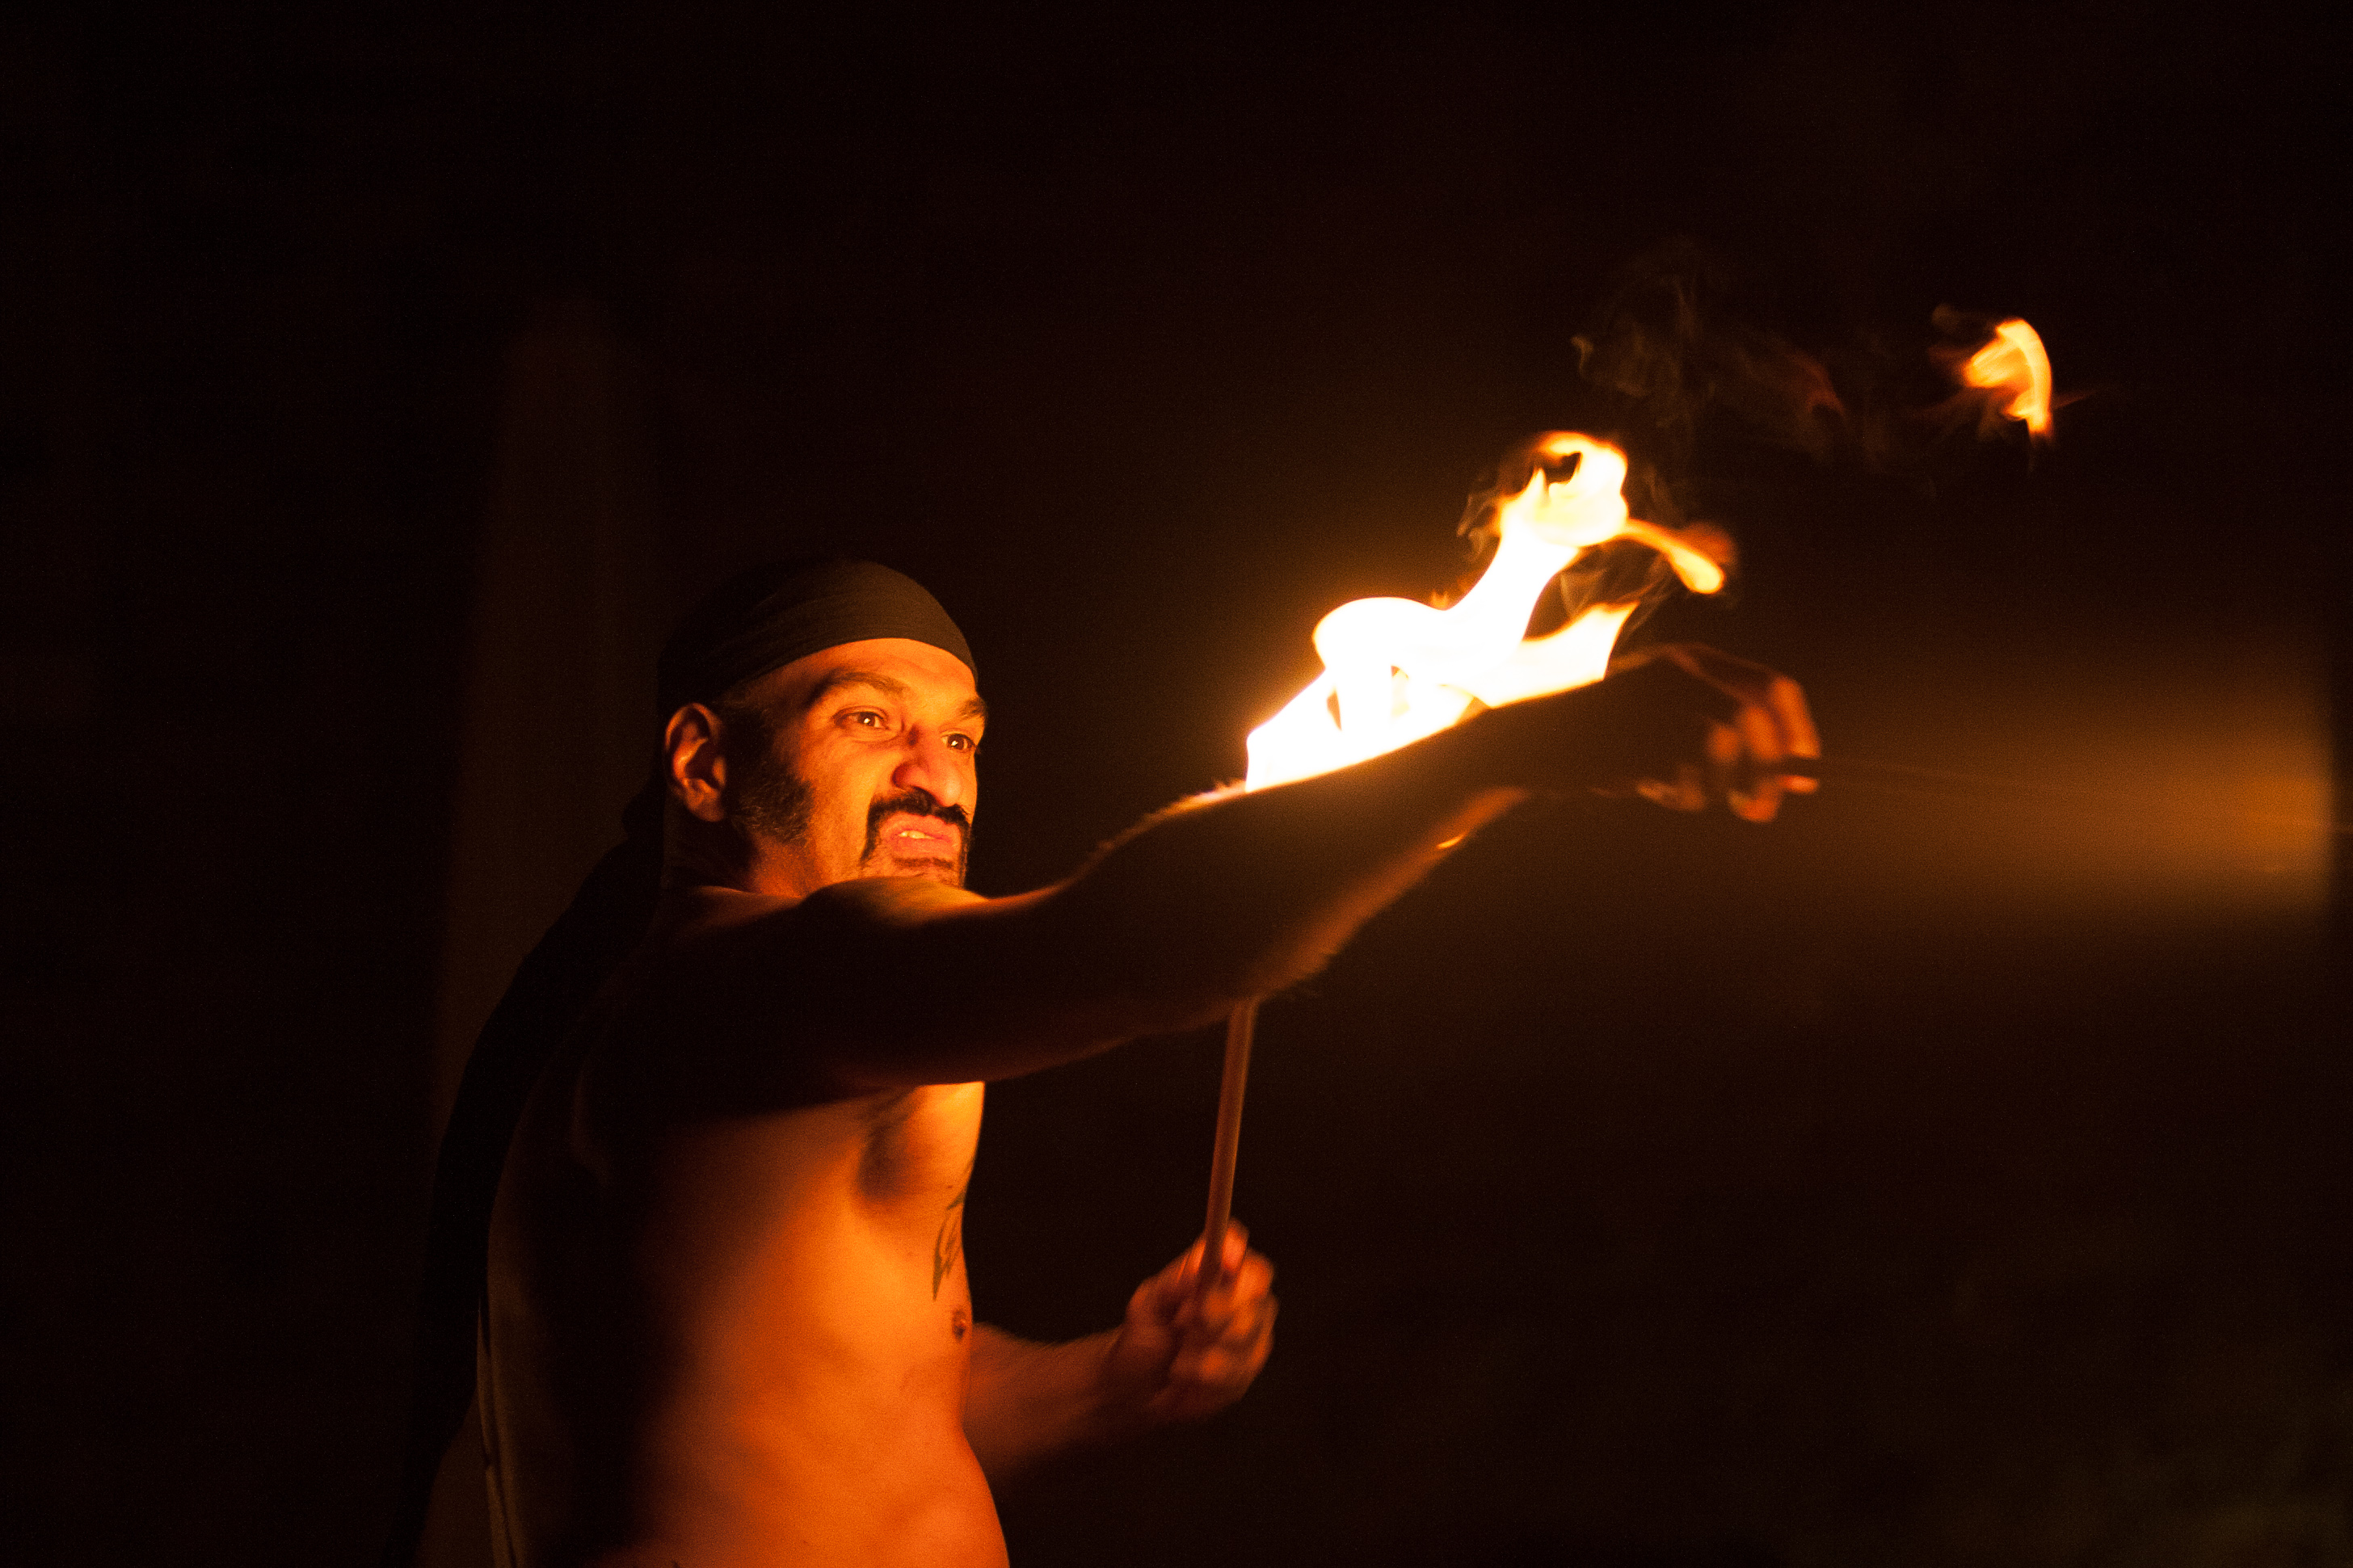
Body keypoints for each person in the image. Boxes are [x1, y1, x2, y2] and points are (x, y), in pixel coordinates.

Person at [399, 557, 1816, 1568]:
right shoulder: (746, 983)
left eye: (961, 735)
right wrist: (1503, 753)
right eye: (869, 720)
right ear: (705, 768)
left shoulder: (816, 1031)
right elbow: (1145, 943)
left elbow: (852, 1402)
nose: (937, 773)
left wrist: (1108, 1380)